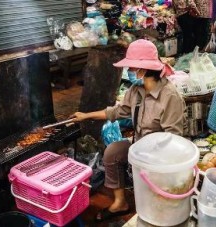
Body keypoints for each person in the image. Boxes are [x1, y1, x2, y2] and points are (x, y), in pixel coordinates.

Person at [69, 39, 186, 222]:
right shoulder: (135, 90)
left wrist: (149, 160)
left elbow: (174, 139)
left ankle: (156, 209)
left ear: (144, 69)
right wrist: (86, 115)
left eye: (132, 67)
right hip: (138, 148)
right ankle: (120, 203)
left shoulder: (170, 97)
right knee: (113, 152)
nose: (129, 71)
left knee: (154, 202)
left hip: (160, 158)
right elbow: (116, 111)